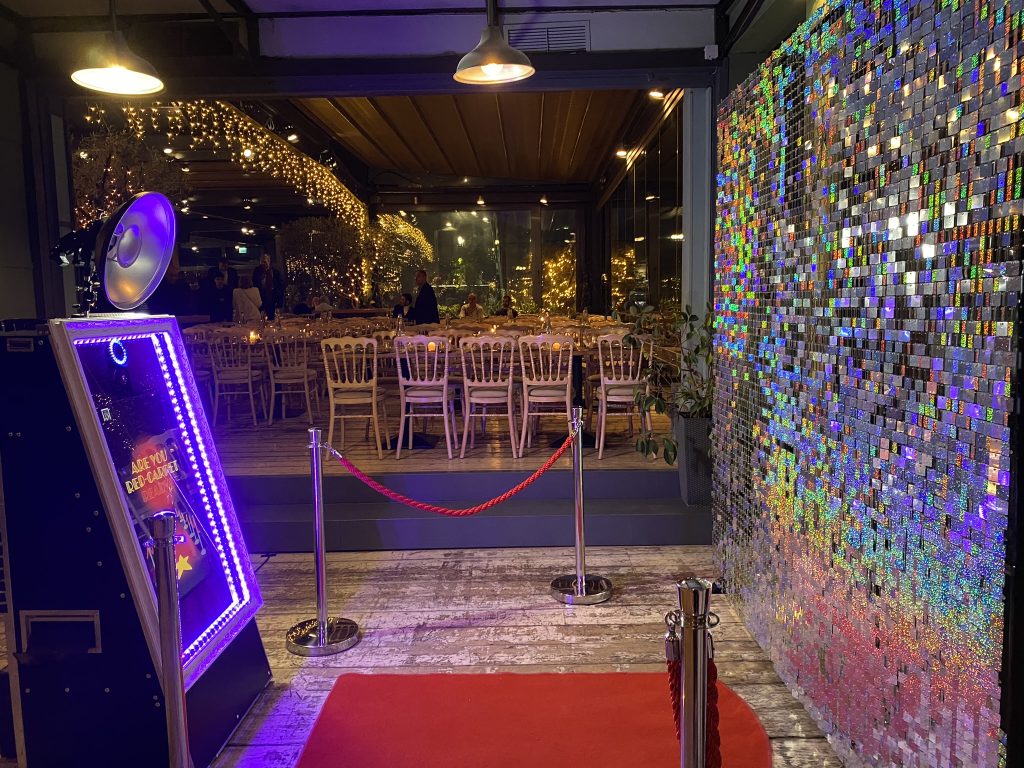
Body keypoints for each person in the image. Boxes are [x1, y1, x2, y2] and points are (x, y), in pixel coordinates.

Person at [252, 254, 285, 320]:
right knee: (262, 317)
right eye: (262, 262)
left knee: (272, 317)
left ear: (269, 261)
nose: (263, 264)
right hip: (261, 296)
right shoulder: (257, 271)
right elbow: (255, 283)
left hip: (272, 297)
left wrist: (279, 300)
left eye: (265, 262)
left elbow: (280, 286)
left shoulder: (275, 272)